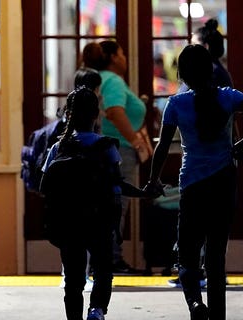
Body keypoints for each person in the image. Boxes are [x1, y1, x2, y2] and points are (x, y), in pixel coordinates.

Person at [144, 44, 243, 320]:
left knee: (187, 254)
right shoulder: (228, 98)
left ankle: (195, 305)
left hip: (192, 185)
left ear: (183, 75)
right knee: (216, 255)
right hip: (224, 182)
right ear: (210, 70)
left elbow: (162, 147)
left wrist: (154, 179)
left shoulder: (176, 105)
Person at [42, 86, 152, 320]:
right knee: (103, 271)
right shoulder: (107, 147)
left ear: (68, 114)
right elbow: (117, 185)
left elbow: (45, 187)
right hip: (99, 222)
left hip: (69, 223)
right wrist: (144, 193)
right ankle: (97, 310)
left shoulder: (57, 148)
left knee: (73, 278)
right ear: (97, 114)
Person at [169, 17, 234, 289]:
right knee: (210, 228)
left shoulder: (210, 79)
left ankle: (196, 278)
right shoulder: (222, 80)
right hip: (216, 164)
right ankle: (202, 274)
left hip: (202, 167)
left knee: (197, 227)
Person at [82, 40, 151, 274]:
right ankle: (111, 259)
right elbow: (114, 111)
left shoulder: (104, 79)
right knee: (116, 204)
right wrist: (134, 140)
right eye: (122, 53)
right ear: (112, 57)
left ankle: (108, 257)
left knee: (109, 205)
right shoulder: (113, 80)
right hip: (119, 150)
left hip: (110, 149)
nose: (124, 57)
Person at [58, 67, 104, 292]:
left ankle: (70, 275)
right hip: (93, 199)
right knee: (90, 243)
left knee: (72, 243)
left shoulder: (63, 137)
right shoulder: (101, 140)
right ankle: (87, 281)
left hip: (68, 200)